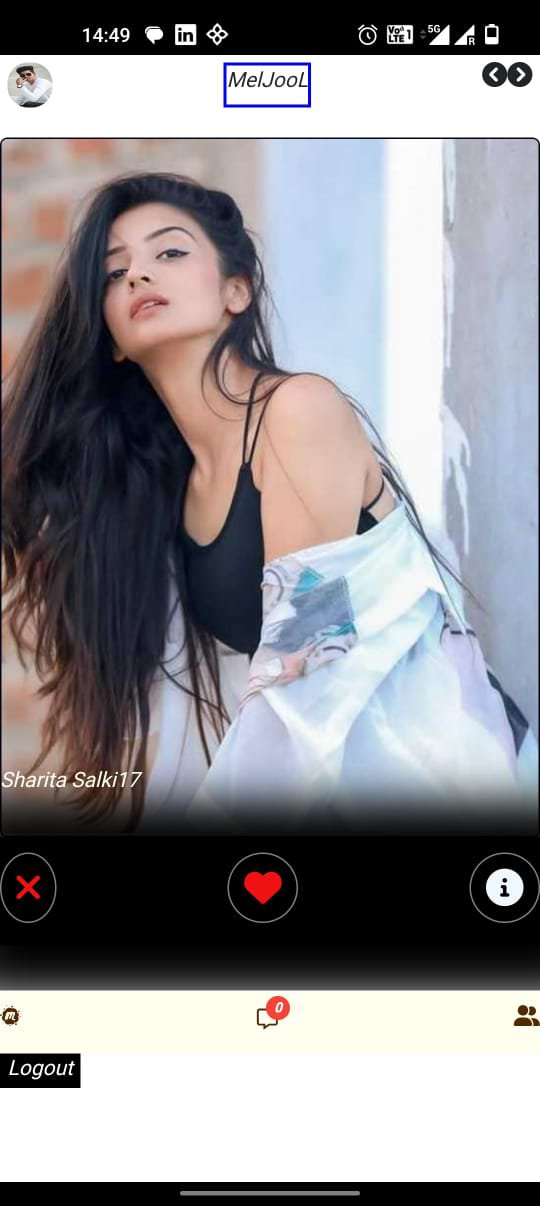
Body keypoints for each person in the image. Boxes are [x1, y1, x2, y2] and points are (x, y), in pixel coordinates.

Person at [2, 172, 537, 833]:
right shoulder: (172, 491)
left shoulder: (298, 412)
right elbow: (217, 719)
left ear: (237, 290)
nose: (138, 274)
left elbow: (309, 668)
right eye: (115, 273)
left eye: (170, 252)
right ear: (110, 336)